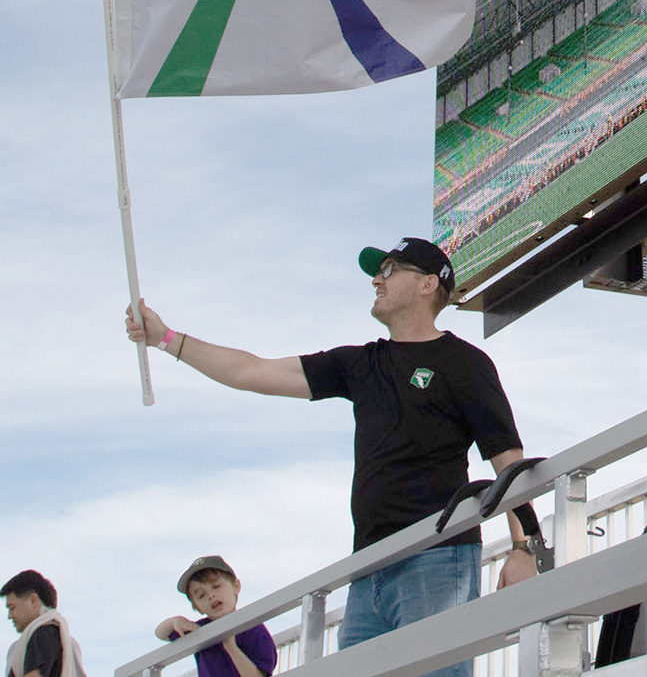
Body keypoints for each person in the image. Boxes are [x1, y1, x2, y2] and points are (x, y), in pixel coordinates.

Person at [125, 239, 541, 677]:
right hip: (366, 569)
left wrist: (522, 548)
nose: (377, 280)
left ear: (426, 284)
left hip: (437, 559)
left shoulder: (464, 363)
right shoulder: (359, 364)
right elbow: (252, 371)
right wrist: (166, 338)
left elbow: (507, 460)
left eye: (390, 269)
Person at [154, 558, 276, 677]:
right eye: (201, 595)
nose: (211, 596)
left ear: (236, 586)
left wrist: (231, 647)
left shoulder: (253, 627)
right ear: (198, 607)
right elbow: (161, 633)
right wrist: (174, 621)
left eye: (216, 586)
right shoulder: (199, 630)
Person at [3, 573, 80, 677]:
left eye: (12, 607)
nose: (10, 616)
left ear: (33, 601)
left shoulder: (43, 633)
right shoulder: (69, 643)